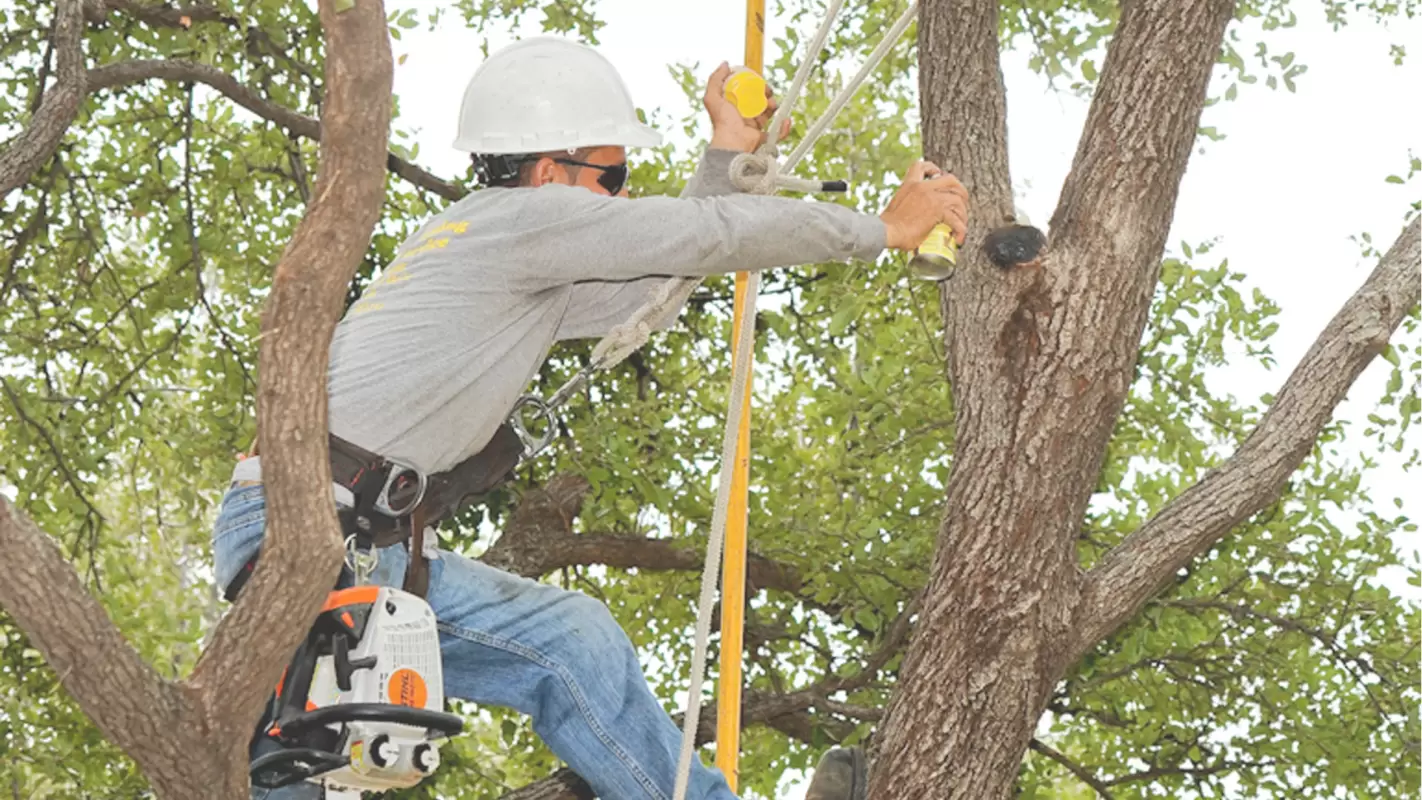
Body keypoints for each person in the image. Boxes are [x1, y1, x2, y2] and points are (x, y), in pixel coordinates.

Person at [212, 36, 969, 800]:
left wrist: (724, 155)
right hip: (309, 533)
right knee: (303, 767)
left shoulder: (501, 240)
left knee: (570, 641)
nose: (616, 197)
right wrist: (884, 229)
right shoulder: (523, 223)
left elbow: (656, 283)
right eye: (611, 176)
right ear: (549, 171)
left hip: (352, 534)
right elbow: (699, 237)